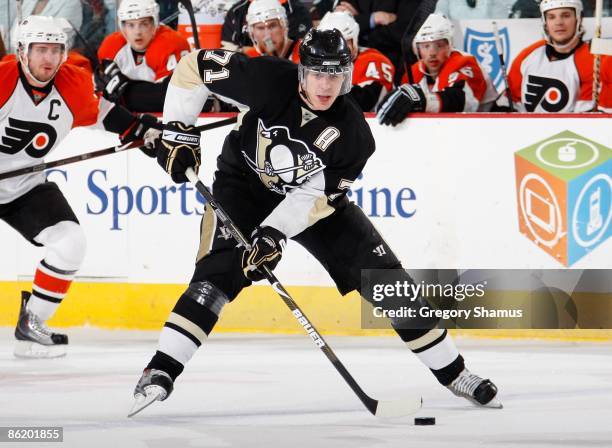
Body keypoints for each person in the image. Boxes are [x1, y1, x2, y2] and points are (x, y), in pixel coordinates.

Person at [129, 28, 501, 414]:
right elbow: (193, 67)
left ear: (347, 76)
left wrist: (273, 233)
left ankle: (454, 372)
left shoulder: (354, 134)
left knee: (388, 281)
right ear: (302, 72)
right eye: (318, 74)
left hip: (312, 202)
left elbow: (313, 197)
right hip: (242, 187)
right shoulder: (265, 79)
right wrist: (179, 131)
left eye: (335, 74)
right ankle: (159, 371)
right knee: (215, 278)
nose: (326, 84)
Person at [0, 16, 157, 358]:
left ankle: (32, 326)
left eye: (56, 51)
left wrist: (141, 131)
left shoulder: (72, 83)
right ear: (21, 52)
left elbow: (101, 112)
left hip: (25, 183)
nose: (48, 59)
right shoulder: (3, 78)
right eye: (40, 50)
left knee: (70, 243)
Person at [376, 14, 497, 126]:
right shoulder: (413, 72)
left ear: (450, 45)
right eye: (426, 46)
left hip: (484, 127)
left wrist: (423, 100)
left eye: (439, 45)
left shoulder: (465, 63)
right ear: (417, 49)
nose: (432, 53)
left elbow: (463, 102)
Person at [508, 0, 611, 112]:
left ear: (579, 19)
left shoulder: (597, 58)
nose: (559, 22)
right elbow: (507, 106)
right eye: (551, 17)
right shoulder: (528, 55)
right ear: (545, 22)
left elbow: (591, 118)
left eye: (565, 15)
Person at [96, 0, 190, 112]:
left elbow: (170, 98)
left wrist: (122, 92)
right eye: (131, 25)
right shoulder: (112, 47)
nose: (137, 32)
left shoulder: (171, 43)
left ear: (154, 24)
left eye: (144, 24)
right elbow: (97, 97)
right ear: (123, 27)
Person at [318, 11, 395, 111]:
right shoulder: (315, 64)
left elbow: (366, 102)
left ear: (354, 42)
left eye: (342, 43)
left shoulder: (373, 60)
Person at [221, 0, 312, 51]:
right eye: (260, 27)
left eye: (272, 26)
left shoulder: (298, 11)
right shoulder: (236, 12)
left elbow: (302, 50)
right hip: (247, 74)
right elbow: (227, 50)